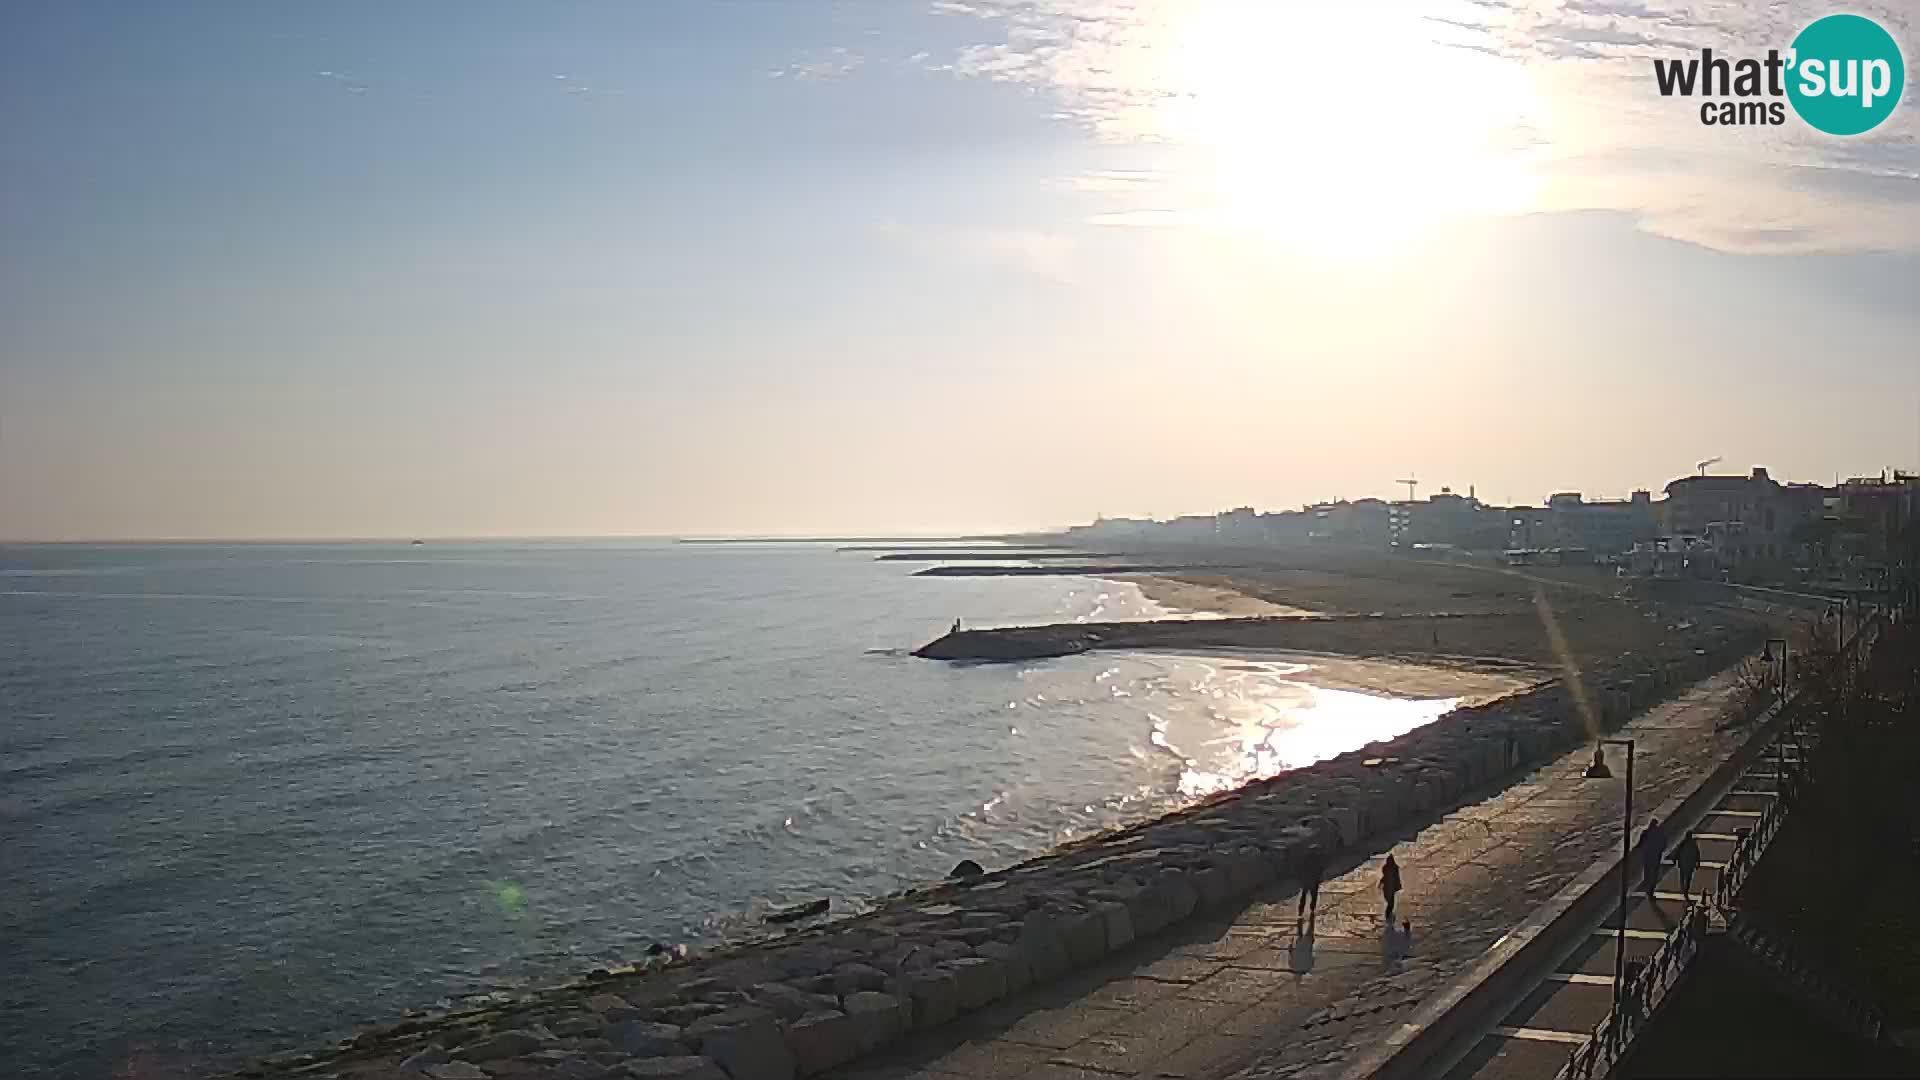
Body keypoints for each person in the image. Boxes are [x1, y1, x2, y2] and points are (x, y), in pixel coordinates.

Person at [1637, 816, 1668, 901]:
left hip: (1647, 855)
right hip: (1656, 855)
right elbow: (1664, 844)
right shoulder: (1660, 833)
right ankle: (1651, 889)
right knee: (1655, 873)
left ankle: (1647, 887)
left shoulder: (1645, 832)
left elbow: (1639, 844)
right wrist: (1660, 850)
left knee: (1647, 871)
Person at [1297, 846, 1328, 925]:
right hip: (1314, 880)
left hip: (1306, 880)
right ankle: (1312, 909)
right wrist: (1320, 877)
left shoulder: (1305, 858)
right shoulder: (1318, 859)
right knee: (1313, 896)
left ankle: (1301, 911)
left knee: (1304, 895)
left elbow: (1301, 868)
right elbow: (1320, 869)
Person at [1672, 830, 1702, 900]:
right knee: (1688, 879)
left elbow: (1677, 852)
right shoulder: (1693, 844)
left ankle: (1683, 889)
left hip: (1683, 864)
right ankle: (1686, 891)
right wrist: (1698, 863)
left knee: (1682, 877)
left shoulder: (1683, 843)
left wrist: (1674, 859)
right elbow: (1697, 854)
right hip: (1690, 865)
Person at [1381, 853, 1403, 923]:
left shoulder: (1386, 868)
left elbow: (1385, 877)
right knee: (1391, 902)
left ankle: (1388, 914)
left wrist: (1381, 883)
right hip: (1391, 887)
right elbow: (1396, 878)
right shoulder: (1394, 868)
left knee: (1390, 901)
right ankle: (1388, 915)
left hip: (1388, 888)